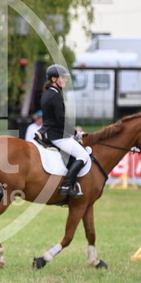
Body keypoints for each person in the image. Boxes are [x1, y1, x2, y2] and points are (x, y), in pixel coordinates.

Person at [38, 64, 90, 198]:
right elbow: (60, 119)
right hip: (57, 135)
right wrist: (75, 132)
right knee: (83, 156)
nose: (65, 80)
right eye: (62, 77)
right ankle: (66, 186)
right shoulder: (55, 95)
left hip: (50, 132)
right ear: (54, 79)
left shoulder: (47, 93)